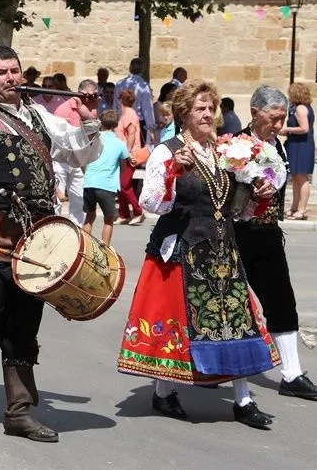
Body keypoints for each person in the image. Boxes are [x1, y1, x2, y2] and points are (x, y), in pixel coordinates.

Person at [0, 46, 101, 443]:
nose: (11, 78)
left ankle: (19, 412)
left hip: (37, 246)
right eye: (1, 73)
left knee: (23, 330)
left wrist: (90, 119)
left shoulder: (40, 116)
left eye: (14, 71)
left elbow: (80, 153)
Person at [117, 79, 280, 430]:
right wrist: (175, 172)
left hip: (224, 251)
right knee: (182, 327)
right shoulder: (168, 150)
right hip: (185, 250)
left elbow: (237, 211)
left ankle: (243, 401)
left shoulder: (227, 152)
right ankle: (163, 392)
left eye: (210, 108)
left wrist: (259, 193)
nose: (207, 114)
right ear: (183, 114)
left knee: (237, 323)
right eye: (199, 109)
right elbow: (151, 203)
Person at [235, 85, 317, 400]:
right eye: (273, 118)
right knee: (227, 307)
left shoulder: (276, 145)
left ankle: (292, 374)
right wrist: (247, 190)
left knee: (281, 301)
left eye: (281, 118)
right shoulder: (235, 146)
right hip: (237, 235)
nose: (278, 125)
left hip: (267, 234)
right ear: (254, 113)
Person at [52, 79, 99, 225]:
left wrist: (90, 112)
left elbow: (93, 134)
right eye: (88, 95)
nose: (90, 98)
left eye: (94, 95)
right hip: (62, 158)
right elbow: (58, 137)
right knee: (58, 198)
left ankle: (77, 229)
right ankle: (54, 225)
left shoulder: (91, 108)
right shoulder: (63, 109)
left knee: (78, 198)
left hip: (80, 158)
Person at [82, 109, 129, 246]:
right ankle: (105, 247)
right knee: (108, 219)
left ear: (101, 122)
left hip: (89, 182)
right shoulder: (120, 143)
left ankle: (84, 246)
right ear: (116, 124)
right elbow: (124, 165)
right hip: (107, 185)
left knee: (89, 217)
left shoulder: (94, 139)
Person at [282, 82, 315, 220]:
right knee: (296, 177)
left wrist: (287, 130)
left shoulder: (301, 108)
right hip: (296, 144)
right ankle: (294, 207)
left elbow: (304, 128)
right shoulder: (302, 107)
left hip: (301, 146)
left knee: (302, 177)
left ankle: (302, 209)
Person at [115, 88, 145, 225]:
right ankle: (124, 214)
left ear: (120, 99)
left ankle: (139, 211)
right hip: (124, 154)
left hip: (129, 154)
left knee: (123, 184)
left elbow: (131, 134)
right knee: (119, 185)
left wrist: (126, 153)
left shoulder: (129, 114)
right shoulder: (127, 113)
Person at [114, 57, 156, 145]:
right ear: (142, 69)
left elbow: (115, 104)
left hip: (122, 119)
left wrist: (114, 120)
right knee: (137, 149)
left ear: (130, 68)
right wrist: (151, 128)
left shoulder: (120, 83)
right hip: (138, 121)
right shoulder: (143, 85)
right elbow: (147, 108)